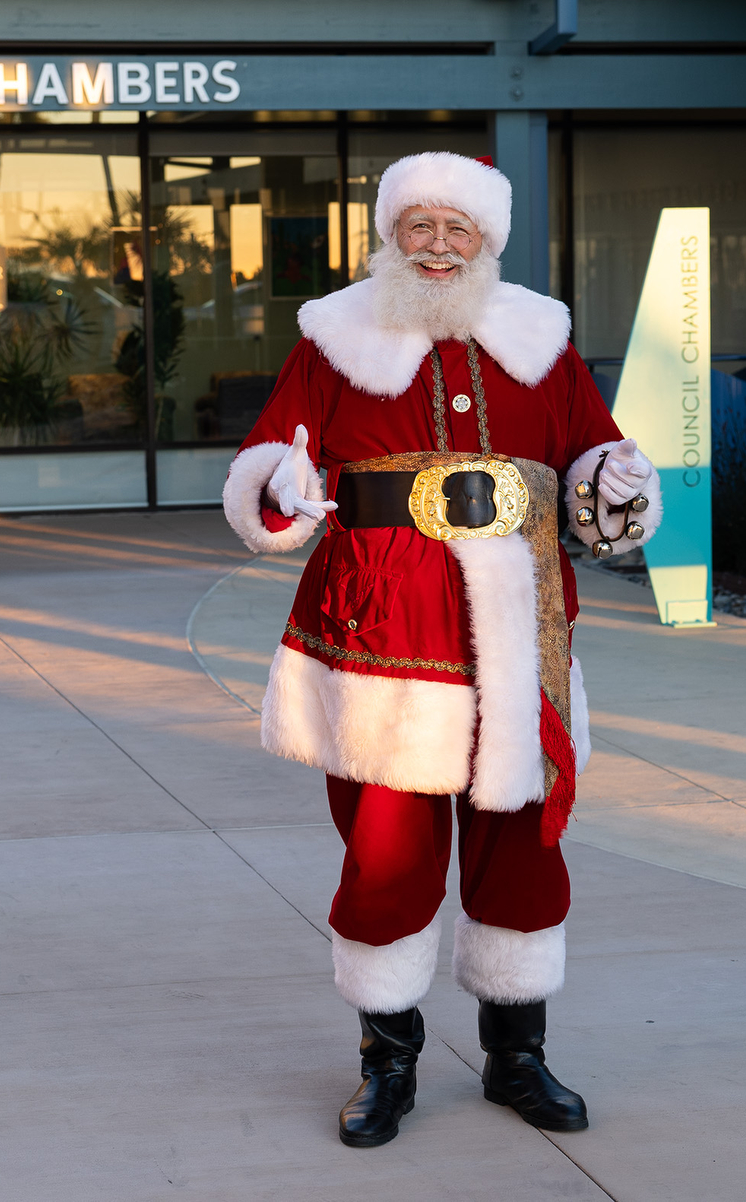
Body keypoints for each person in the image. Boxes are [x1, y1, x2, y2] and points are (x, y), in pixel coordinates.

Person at [221, 152, 662, 1147]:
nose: (434, 244)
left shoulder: (539, 338)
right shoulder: (332, 336)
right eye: (415, 225)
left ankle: (516, 1053)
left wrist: (615, 484)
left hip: (518, 635)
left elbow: (593, 452)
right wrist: (274, 491)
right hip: (383, 632)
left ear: (486, 241)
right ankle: (387, 1061)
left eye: (454, 228)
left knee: (520, 839)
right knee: (386, 851)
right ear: (389, 233)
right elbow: (268, 459)